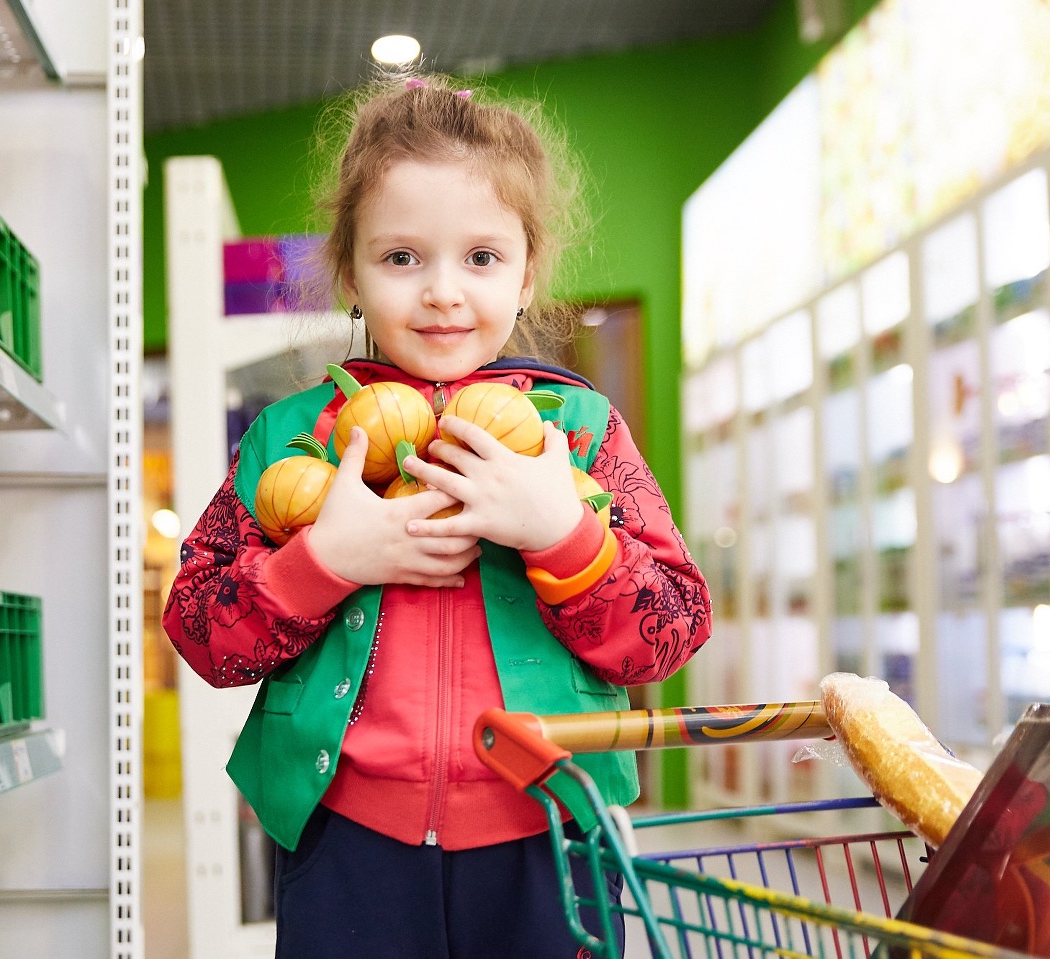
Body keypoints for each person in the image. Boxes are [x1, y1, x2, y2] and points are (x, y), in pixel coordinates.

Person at [163, 73, 712, 959]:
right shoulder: (291, 438)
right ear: (349, 270)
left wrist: (560, 533)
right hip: (346, 847)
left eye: (482, 258)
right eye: (402, 257)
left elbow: (674, 630)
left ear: (529, 272)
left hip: (549, 843)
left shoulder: (578, 432)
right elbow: (198, 629)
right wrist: (325, 559)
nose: (444, 292)